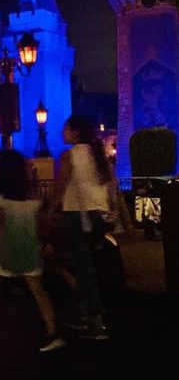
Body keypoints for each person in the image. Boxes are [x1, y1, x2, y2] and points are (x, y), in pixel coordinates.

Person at [0, 149, 65, 353]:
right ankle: (52, 331)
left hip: (7, 249)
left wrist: (0, 246)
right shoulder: (32, 196)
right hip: (30, 248)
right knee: (39, 292)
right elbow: (40, 225)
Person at [48, 114, 115, 342]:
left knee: (82, 266)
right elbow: (111, 185)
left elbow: (60, 186)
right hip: (99, 215)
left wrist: (47, 211)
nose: (62, 132)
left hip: (79, 215)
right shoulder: (98, 155)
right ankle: (86, 311)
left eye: (65, 128)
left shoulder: (69, 156)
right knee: (85, 264)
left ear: (75, 132)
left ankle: (94, 320)